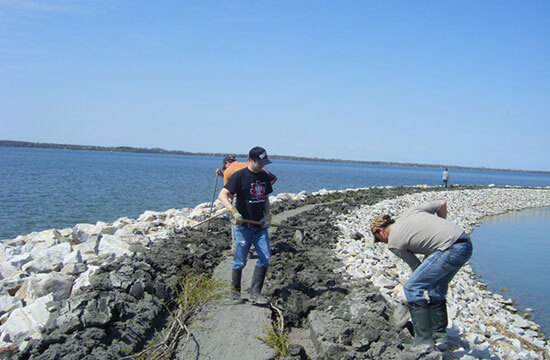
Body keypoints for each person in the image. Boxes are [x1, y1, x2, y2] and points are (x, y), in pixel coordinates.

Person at [369, 200, 472, 350]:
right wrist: (441, 228)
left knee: (412, 287)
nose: (382, 243)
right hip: (465, 245)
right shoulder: (410, 212)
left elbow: (416, 267)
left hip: (450, 249)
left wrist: (413, 298)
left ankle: (423, 340)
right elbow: (442, 204)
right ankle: (439, 335)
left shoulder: (393, 242)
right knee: (436, 287)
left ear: (381, 231)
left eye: (379, 240)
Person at [218, 146, 274, 305]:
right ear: (251, 160)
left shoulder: (263, 176)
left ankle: (256, 293)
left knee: (266, 258)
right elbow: (222, 195)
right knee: (240, 261)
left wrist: (267, 215)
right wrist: (233, 211)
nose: (263, 166)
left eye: (264, 162)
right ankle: (235, 293)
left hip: (260, 227)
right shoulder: (239, 176)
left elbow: (266, 199)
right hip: (243, 227)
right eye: (260, 162)